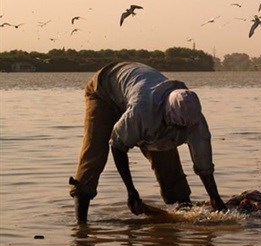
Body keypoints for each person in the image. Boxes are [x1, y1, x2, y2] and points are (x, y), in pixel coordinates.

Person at [69, 61, 227, 223]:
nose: (179, 132)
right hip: (104, 91)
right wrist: (131, 191)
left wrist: (215, 198)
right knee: (94, 153)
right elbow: (117, 146)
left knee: (167, 158)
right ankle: (81, 224)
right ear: (167, 116)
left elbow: (204, 165)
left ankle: (183, 210)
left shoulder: (196, 122)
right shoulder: (142, 112)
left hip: (136, 93)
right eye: (175, 126)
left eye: (183, 129)